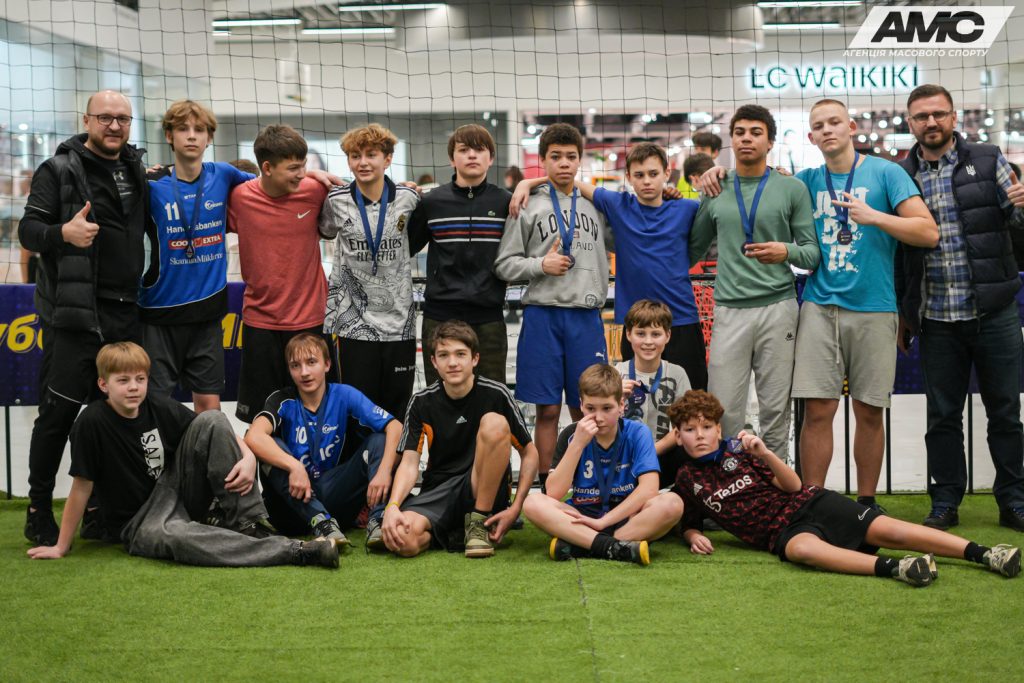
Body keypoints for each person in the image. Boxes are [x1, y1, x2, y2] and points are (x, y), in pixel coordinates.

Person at [27, 342, 338, 569]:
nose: (134, 388)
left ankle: (246, 522)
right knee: (179, 538)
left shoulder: (156, 405)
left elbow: (209, 428)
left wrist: (248, 457)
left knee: (213, 418)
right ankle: (296, 551)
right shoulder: (91, 423)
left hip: (175, 489)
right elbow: (81, 487)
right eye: (123, 381)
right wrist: (61, 546)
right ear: (103, 384)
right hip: (140, 520)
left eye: (140, 379)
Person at [669, 390, 1021, 586]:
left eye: (707, 427)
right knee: (802, 551)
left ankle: (986, 553)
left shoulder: (742, 450)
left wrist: (766, 453)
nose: (699, 436)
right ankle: (898, 568)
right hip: (780, 532)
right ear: (678, 435)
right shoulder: (686, 477)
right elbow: (689, 519)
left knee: (891, 531)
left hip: (810, 502)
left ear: (719, 429)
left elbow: (793, 485)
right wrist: (692, 535)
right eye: (689, 430)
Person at [792, 99, 938, 511]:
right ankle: (813, 502)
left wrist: (875, 217)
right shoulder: (805, 181)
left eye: (834, 122)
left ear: (851, 127)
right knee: (817, 410)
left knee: (870, 411)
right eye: (819, 126)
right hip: (819, 307)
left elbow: (928, 232)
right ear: (811, 137)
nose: (827, 130)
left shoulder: (886, 173)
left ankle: (867, 502)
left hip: (875, 308)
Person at [19, 90, 149, 546]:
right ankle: (38, 509)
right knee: (57, 415)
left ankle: (100, 511)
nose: (114, 126)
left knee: (111, 416)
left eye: (122, 119)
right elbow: (28, 231)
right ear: (87, 120)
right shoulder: (57, 169)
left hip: (124, 313)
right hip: (75, 317)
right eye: (105, 117)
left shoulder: (134, 168)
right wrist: (64, 233)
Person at [896, 84, 1024, 532]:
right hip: (934, 316)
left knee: (1005, 413)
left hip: (994, 311)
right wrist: (903, 312)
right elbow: (897, 252)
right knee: (942, 418)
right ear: (910, 123)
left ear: (954, 117)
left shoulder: (989, 159)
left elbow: (1017, 220)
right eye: (921, 116)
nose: (931, 122)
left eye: (938, 114)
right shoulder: (900, 174)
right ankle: (946, 502)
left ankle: (1014, 502)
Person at [510, 142, 706, 389]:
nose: (647, 181)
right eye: (639, 175)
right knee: (636, 399)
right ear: (628, 178)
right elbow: (569, 181)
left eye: (653, 174)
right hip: (636, 325)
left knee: (691, 398)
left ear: (667, 173)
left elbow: (711, 217)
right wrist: (527, 183)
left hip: (681, 320)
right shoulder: (618, 204)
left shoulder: (688, 208)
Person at [692, 105, 819, 462]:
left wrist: (785, 251)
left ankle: (774, 485)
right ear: (731, 140)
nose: (746, 138)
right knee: (723, 408)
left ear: (770, 142)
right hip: (729, 310)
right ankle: (730, 480)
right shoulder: (715, 188)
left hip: (778, 308)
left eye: (756, 132)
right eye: (740, 132)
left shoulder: (791, 188)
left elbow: (811, 254)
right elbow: (690, 250)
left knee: (775, 408)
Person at [494, 123, 612, 480]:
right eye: (555, 156)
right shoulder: (526, 204)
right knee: (546, 410)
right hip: (542, 316)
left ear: (580, 160)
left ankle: (588, 481)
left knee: (586, 409)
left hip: (585, 317)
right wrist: (539, 265)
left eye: (571, 157)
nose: (564, 163)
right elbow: (504, 265)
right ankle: (547, 484)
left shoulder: (596, 204)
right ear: (542, 160)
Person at [381, 321, 539, 558]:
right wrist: (392, 506)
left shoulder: (496, 394)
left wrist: (516, 508)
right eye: (444, 355)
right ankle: (452, 534)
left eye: (460, 354)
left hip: (480, 488)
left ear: (475, 359)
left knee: (494, 423)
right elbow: (410, 463)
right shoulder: (421, 402)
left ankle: (478, 524)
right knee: (401, 541)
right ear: (434, 362)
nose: (452, 362)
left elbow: (530, 453)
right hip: (439, 490)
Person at [139, 100, 255, 413]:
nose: (191, 135)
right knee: (156, 406)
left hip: (207, 313)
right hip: (159, 312)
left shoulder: (223, 175)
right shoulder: (150, 183)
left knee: (208, 407)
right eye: (183, 129)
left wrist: (314, 176)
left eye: (199, 129)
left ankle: (205, 450)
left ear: (209, 137)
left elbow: (270, 185)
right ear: (169, 136)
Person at [245, 333, 402, 548]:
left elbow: (396, 427)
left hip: (333, 493)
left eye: (311, 362)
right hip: (291, 507)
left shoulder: (344, 394)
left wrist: (384, 471)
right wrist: (294, 466)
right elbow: (253, 436)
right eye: (295, 365)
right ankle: (320, 521)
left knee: (379, 440)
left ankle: (378, 521)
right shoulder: (282, 400)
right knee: (270, 444)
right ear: (289, 370)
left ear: (327, 364)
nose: (304, 372)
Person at [227, 124, 340, 424]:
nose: (301, 174)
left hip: (310, 320)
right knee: (262, 419)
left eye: (304, 166)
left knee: (321, 415)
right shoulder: (238, 198)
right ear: (267, 168)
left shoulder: (315, 190)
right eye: (293, 168)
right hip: (260, 323)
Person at [522, 364, 684, 565]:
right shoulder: (572, 434)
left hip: (627, 515)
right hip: (582, 515)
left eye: (607, 408)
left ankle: (584, 544)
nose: (598, 417)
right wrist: (578, 444)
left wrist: (603, 522)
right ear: (581, 405)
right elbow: (553, 492)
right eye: (590, 408)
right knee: (533, 503)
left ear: (621, 405)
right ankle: (616, 547)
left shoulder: (638, 432)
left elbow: (649, 489)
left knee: (673, 504)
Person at [318, 123, 421, 419]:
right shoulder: (336, 201)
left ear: (387, 159)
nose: (363, 162)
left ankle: (396, 452)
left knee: (397, 410)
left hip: (399, 325)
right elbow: (324, 230)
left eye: (371, 155)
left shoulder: (408, 198)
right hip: (353, 326)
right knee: (357, 412)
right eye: (355, 155)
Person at [408, 124, 512, 386]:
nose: (472, 155)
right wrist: (399, 198)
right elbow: (404, 248)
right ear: (452, 159)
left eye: (479, 149)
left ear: (491, 158)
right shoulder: (431, 202)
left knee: (492, 396)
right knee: (438, 394)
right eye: (464, 150)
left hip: (488, 317)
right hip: (439, 316)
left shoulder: (505, 202)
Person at [615, 300, 692, 488]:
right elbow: (601, 421)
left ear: (667, 336)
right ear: (628, 335)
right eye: (641, 334)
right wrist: (616, 398)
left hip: (661, 453)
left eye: (656, 334)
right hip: (623, 457)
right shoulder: (616, 373)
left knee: (690, 445)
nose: (648, 341)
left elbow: (685, 424)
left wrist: (651, 451)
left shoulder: (677, 373)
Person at [677, 132, 722, 199]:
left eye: (703, 149)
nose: (697, 152)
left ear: (715, 153)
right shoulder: (684, 180)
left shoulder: (721, 178)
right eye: (696, 148)